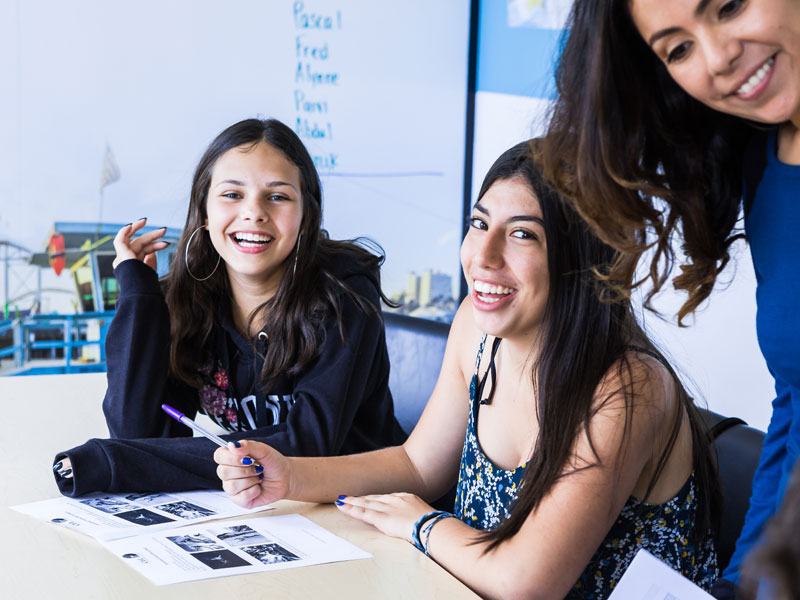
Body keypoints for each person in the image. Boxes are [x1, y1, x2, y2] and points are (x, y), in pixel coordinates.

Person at [215, 142, 721, 599]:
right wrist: (290, 475)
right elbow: (418, 466)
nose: (483, 255)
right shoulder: (478, 331)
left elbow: (528, 582)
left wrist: (423, 524)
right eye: (479, 224)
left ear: (582, 259)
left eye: (522, 234)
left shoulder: (627, 387)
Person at [537, 1, 800, 594]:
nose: (719, 58)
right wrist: (744, 581)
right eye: (678, 48)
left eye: (729, 6)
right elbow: (796, 403)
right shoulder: (766, 160)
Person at [52, 118, 405, 497]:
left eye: (278, 196)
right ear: (204, 213)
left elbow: (309, 445)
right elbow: (140, 433)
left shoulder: (344, 291)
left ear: (306, 215)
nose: (254, 212)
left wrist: (114, 463)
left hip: (367, 503)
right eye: (233, 194)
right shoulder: (189, 300)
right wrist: (139, 294)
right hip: (265, 506)